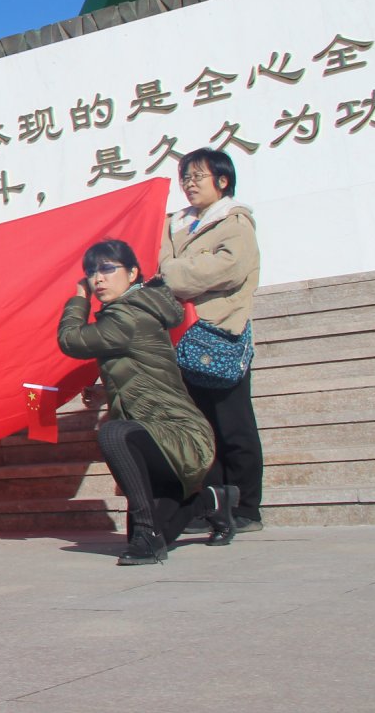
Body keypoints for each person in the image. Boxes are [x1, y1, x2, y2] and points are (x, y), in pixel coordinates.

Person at [59, 239, 235, 565]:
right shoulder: (133, 311)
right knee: (156, 529)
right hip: (155, 439)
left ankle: (147, 531)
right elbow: (143, 371)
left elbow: (70, 340)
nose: (98, 278)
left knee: (113, 433)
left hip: (179, 435)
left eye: (107, 268)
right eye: (91, 272)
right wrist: (106, 393)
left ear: (132, 273)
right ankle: (211, 501)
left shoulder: (126, 316)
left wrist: (79, 298)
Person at [160, 148, 265, 533]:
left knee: (234, 426)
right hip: (182, 338)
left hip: (220, 334)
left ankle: (247, 508)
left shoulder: (235, 222)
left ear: (222, 181)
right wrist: (179, 273)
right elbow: (159, 266)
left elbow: (227, 268)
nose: (189, 184)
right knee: (201, 429)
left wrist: (173, 274)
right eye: (185, 178)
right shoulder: (173, 225)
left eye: (197, 177)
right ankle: (214, 507)